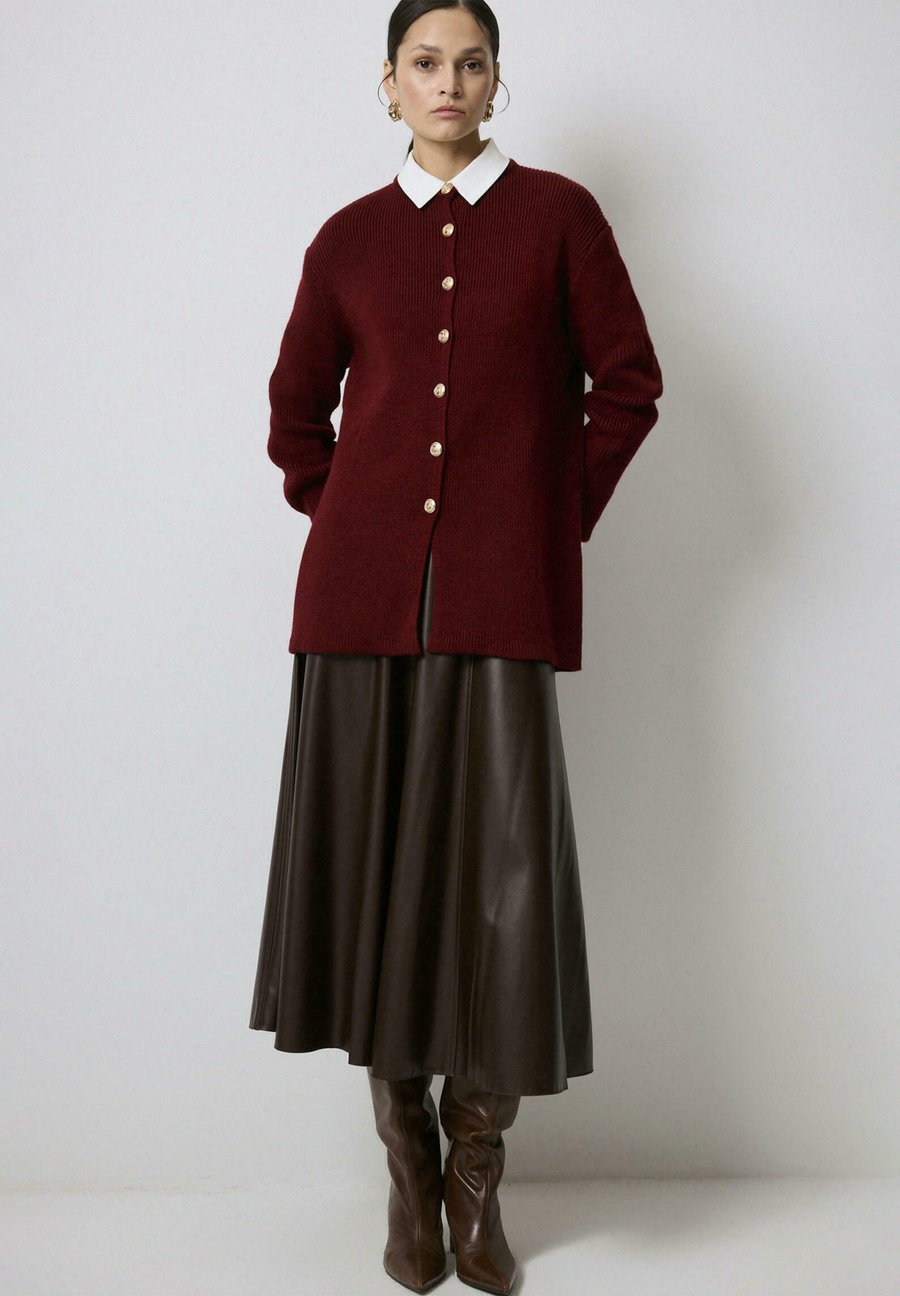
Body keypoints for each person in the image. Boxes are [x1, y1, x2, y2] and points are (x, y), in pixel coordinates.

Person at [248, 2, 663, 1291]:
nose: (449, 82)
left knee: (500, 890)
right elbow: (294, 416)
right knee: (375, 881)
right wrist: (358, 523)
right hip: (357, 617)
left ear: (495, 82)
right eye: (424, 64)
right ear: (388, 84)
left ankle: (478, 1175)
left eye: (470, 63)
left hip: (501, 605)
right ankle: (409, 1175)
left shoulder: (560, 218)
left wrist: (543, 520)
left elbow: (630, 384)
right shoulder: (348, 240)